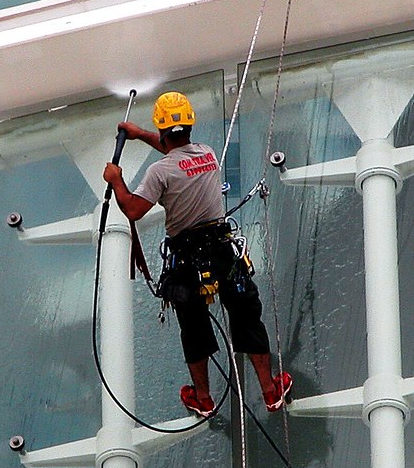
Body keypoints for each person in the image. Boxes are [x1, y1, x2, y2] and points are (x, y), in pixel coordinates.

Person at [102, 91, 291, 419]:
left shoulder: (159, 173)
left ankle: (202, 398)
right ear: (189, 125)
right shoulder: (207, 154)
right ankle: (271, 391)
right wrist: (141, 134)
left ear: (161, 129)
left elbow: (132, 209)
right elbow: (175, 153)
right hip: (222, 251)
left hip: (188, 260)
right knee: (246, 315)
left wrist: (117, 181)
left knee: (194, 327)